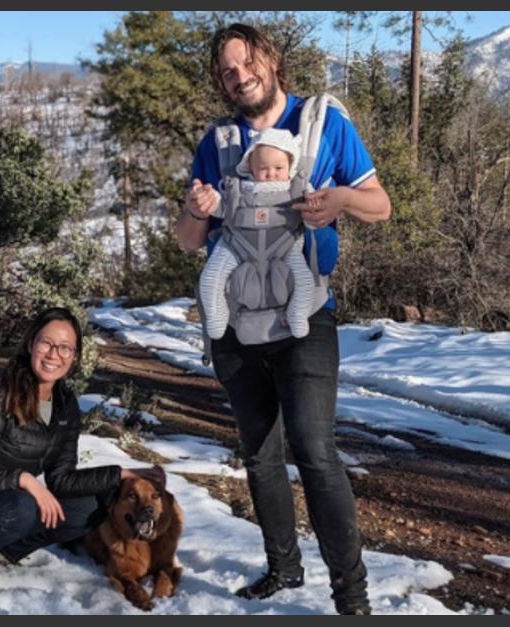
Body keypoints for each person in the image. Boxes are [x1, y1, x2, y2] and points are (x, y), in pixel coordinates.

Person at [176, 23, 391, 615]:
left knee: (314, 451)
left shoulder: (322, 124)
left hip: (306, 317)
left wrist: (342, 199)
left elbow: (381, 204)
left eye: (246, 63)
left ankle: (352, 596)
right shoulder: (217, 142)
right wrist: (196, 211)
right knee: (259, 453)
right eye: (226, 70)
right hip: (235, 324)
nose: (239, 76)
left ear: (269, 59)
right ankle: (283, 569)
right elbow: (189, 239)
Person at [0, 306, 161, 612]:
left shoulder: (65, 405)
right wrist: (23, 479)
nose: (54, 354)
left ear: (75, 357)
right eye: (46, 343)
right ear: (31, 344)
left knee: (91, 506)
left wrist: (118, 474)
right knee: (23, 506)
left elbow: (63, 480)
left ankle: (1, 554)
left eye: (65, 347)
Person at [197, 126, 320, 340]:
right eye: (263, 168)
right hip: (236, 245)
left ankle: (297, 314)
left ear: (290, 166)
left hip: (284, 246)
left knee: (305, 280)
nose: (271, 173)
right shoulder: (239, 188)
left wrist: (313, 209)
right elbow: (223, 207)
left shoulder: (298, 190)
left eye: (278, 167)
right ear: (250, 167)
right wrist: (209, 200)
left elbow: (313, 221)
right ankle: (217, 316)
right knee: (210, 277)